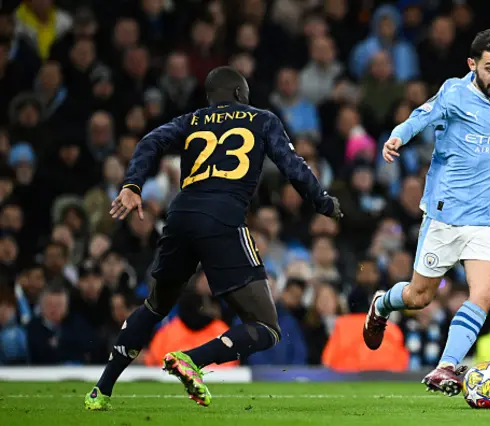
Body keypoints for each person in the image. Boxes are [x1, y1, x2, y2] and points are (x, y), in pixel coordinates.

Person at [84, 66, 342, 410]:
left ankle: (101, 390)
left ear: (210, 97)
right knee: (266, 326)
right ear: (239, 95)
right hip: (223, 218)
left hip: (180, 215)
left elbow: (150, 141)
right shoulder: (262, 119)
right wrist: (323, 202)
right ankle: (192, 360)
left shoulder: (192, 120)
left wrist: (132, 184)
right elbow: (293, 166)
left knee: (154, 305)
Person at [362, 30, 490, 396]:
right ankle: (382, 303)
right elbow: (420, 116)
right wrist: (398, 136)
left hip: (489, 221)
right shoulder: (454, 93)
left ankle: (445, 367)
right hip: (446, 216)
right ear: (472, 64)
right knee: (418, 297)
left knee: (486, 293)